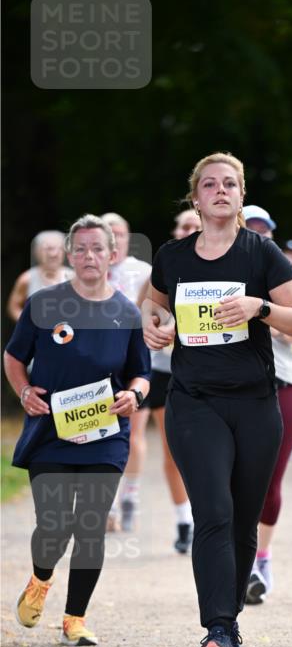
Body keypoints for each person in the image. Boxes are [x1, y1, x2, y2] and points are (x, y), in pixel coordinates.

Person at [143, 151, 292, 647]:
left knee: (242, 519)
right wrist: (154, 325)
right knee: (213, 511)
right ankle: (216, 629)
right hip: (194, 402)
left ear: (241, 196)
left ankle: (230, 625)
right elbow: (151, 304)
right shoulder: (173, 256)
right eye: (210, 184)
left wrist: (260, 308)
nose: (220, 191)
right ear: (195, 197)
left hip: (256, 403)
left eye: (230, 184)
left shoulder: (261, 253)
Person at [3, 214, 150, 646]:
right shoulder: (43, 304)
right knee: (53, 526)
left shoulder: (126, 312)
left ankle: (75, 619)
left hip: (106, 434)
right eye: (81, 248)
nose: (89, 256)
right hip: (51, 432)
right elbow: (13, 357)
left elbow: (141, 373)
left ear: (112, 254)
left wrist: (134, 395)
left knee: (89, 525)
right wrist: (24, 391)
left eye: (97, 248)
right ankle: (40, 578)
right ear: (69, 254)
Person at [240, 205, 292, 604]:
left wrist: (273, 321)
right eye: (251, 229)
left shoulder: (290, 278)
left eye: (265, 230)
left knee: (269, 481)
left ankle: (261, 560)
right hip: (233, 388)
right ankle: (236, 561)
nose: (259, 236)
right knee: (231, 480)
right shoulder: (218, 274)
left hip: (282, 385)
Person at [139, 209, 203, 554]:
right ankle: (184, 520)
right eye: (181, 226)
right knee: (174, 450)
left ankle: (214, 515)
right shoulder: (163, 267)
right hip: (168, 370)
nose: (185, 230)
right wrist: (160, 326)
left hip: (213, 370)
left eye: (192, 225)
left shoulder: (227, 265)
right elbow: (143, 314)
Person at [101, 213, 153, 531]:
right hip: (97, 366)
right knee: (99, 435)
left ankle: (130, 496)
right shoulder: (86, 271)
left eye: (119, 234)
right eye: (107, 233)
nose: (114, 239)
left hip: (134, 365)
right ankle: (107, 504)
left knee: (133, 434)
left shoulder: (142, 271)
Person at [6, 231, 72, 322]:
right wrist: (27, 323)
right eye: (48, 249)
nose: (53, 254)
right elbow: (14, 307)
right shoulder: (27, 279)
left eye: (59, 249)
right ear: (37, 252)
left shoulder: (74, 278)